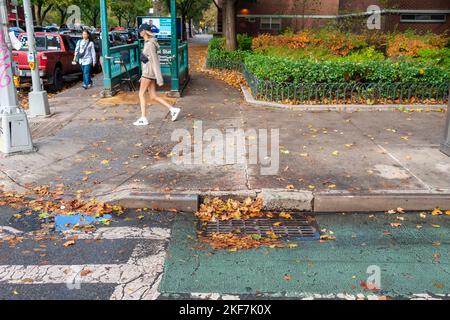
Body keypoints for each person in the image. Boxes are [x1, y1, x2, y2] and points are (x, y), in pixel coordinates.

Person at [134, 23, 180, 126]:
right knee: (153, 96)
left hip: (148, 73)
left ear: (144, 31)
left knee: (141, 94)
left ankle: (143, 118)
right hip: (148, 72)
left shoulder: (150, 44)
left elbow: (155, 61)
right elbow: (148, 60)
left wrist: (159, 79)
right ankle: (173, 109)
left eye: (140, 30)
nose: (139, 32)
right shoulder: (149, 42)